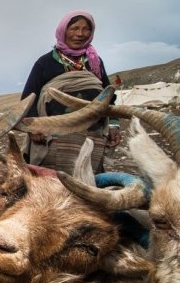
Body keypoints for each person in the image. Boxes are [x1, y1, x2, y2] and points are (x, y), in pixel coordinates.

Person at [21, 10, 121, 172]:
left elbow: (107, 95)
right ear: (63, 30)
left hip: (93, 135)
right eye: (74, 28)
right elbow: (29, 97)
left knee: (89, 180)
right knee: (53, 183)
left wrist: (114, 124)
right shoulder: (45, 62)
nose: (80, 34)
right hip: (54, 136)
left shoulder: (95, 62)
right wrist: (34, 127)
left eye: (86, 29)